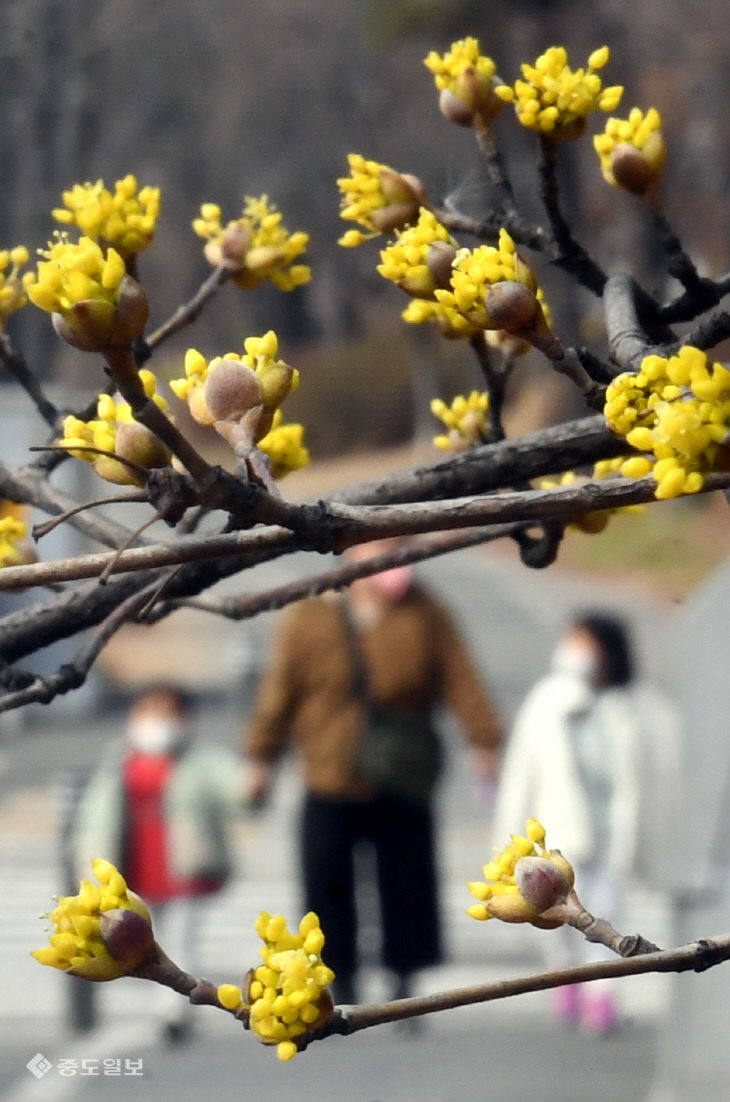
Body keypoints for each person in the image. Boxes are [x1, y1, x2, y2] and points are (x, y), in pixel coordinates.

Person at [242, 540, 502, 1005]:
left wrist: (483, 740)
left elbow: (462, 679)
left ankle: (404, 975)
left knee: (406, 881)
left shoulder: (427, 613)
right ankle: (338, 977)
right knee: (327, 881)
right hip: (329, 773)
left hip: (399, 774)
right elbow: (279, 691)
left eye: (398, 549)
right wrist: (262, 756)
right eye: (379, 549)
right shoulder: (311, 615)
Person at [492, 611, 673, 1035]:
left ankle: (601, 994)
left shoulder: (634, 706)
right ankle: (564, 974)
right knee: (556, 913)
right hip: (557, 833)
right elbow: (522, 771)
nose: (575, 652)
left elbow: (657, 774)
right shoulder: (549, 701)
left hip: (610, 833)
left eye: (584, 643)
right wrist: (509, 833)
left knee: (605, 912)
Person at [74, 684, 242, 1043]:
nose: (156, 720)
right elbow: (96, 814)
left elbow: (234, 786)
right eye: (148, 710)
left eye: (165, 711)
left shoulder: (199, 759)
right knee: (148, 936)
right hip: (136, 864)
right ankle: (167, 1003)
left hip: (182, 864)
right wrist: (88, 859)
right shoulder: (119, 759)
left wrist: (253, 785)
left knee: (182, 936)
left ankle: (175, 1010)